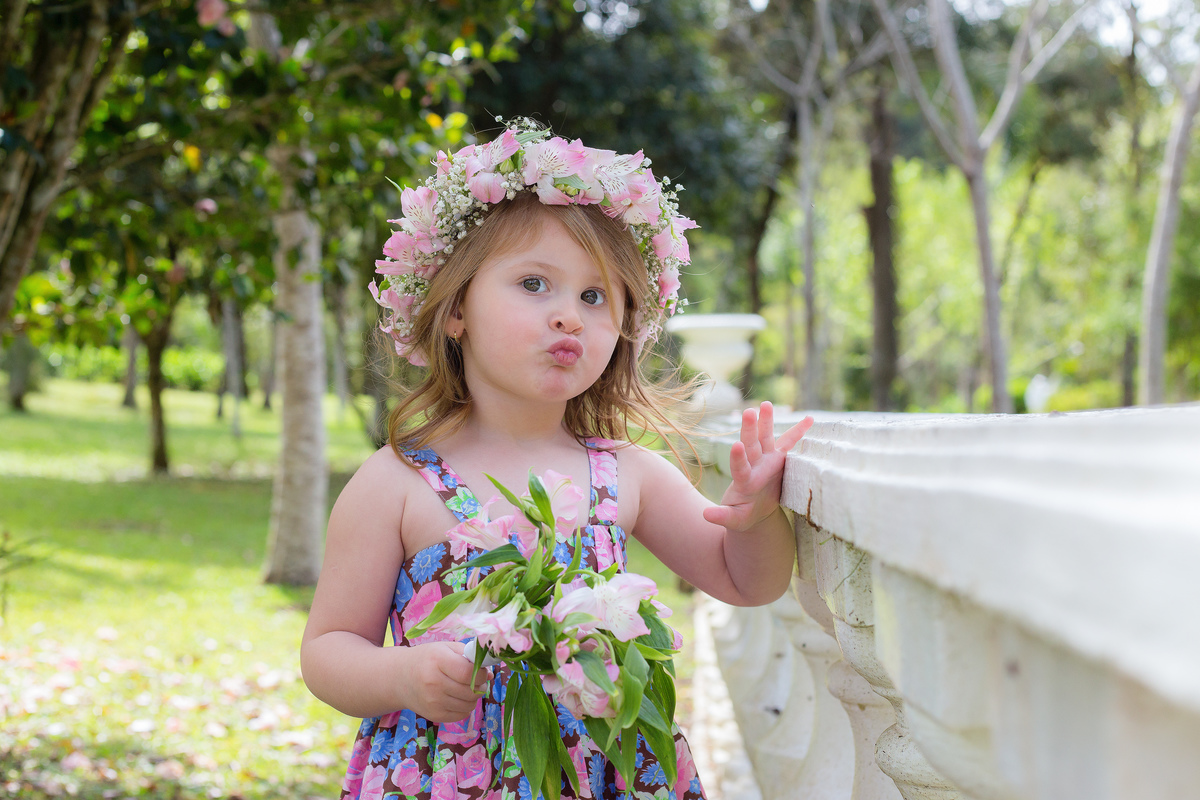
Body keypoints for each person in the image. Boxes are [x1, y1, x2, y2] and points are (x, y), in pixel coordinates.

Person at [301, 120, 813, 800]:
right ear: (455, 310)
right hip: (449, 773)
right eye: (535, 283)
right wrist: (403, 676)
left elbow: (748, 582)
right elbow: (328, 649)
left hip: (601, 768)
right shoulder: (398, 483)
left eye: (594, 297)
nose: (569, 315)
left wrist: (752, 518)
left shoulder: (626, 472)